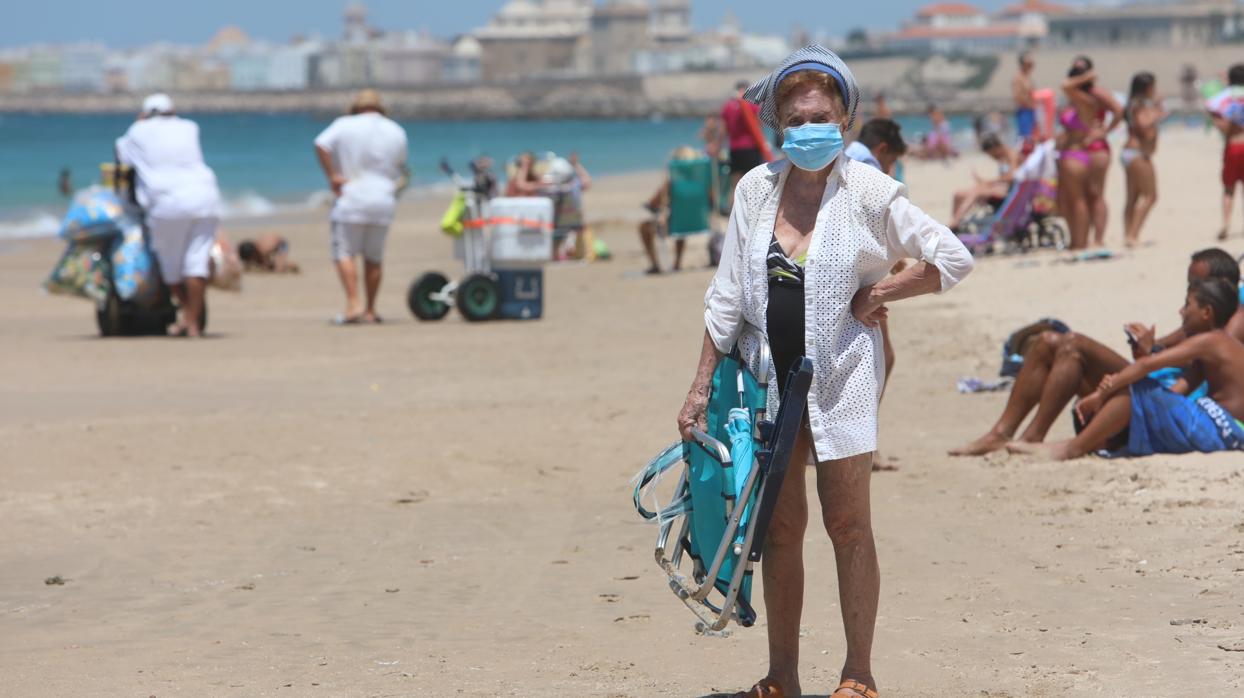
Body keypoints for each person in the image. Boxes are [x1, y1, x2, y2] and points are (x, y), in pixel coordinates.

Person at [677, 46, 974, 698]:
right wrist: (700, 385)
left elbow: (950, 256)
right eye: (795, 117)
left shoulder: (869, 190)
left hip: (841, 383)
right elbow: (726, 296)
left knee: (849, 527)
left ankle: (858, 674)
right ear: (778, 124)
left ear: (844, 120)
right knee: (780, 532)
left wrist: (883, 294)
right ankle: (782, 674)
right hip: (764, 386)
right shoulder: (755, 188)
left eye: (821, 115)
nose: (808, 127)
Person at [949, 248, 1244, 457]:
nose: (1185, 301)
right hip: (1165, 399)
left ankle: (1040, 441)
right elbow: (1160, 362)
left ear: (1215, 294)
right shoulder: (1203, 326)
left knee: (1074, 345)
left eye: (1194, 286)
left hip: (1176, 410)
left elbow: (1163, 372)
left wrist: (1110, 388)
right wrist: (1145, 350)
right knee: (1049, 342)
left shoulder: (1223, 329)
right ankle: (1004, 434)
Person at [1010, 278, 1244, 460]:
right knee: (1138, 391)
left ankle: (1072, 448)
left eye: (1187, 305)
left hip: (1219, 429)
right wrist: (1122, 391)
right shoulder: (1219, 347)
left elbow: (1146, 365)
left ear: (1207, 313)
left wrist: (1102, 393)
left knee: (1134, 388)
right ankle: (1084, 443)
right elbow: (1176, 393)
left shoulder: (1211, 340)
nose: (1181, 312)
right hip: (1225, 430)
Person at [114, 93, 221, 338]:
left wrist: (138, 123)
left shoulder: (137, 132)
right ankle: (193, 322)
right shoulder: (190, 127)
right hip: (206, 198)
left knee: (171, 267)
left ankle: (189, 317)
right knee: (196, 263)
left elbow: (121, 157)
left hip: (167, 203)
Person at [314, 89, 409, 325]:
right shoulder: (396, 130)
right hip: (383, 198)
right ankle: (371, 309)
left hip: (352, 196)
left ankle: (353, 301)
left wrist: (333, 176)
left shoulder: (345, 124)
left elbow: (321, 144)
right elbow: (400, 164)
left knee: (344, 252)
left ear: (356, 108)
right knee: (374, 258)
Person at [1057, 56, 1124, 249]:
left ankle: (1090, 240)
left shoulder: (1091, 94)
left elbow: (1119, 110)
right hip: (1087, 148)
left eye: (1080, 71)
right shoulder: (1077, 98)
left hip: (1089, 149)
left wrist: (1104, 131)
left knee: (1089, 196)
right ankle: (1088, 240)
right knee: (1087, 196)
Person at [1120, 72, 1168, 248]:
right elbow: (1143, 124)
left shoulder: (1132, 103)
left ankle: (1128, 233)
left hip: (1130, 152)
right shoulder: (1141, 104)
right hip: (1138, 153)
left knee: (1133, 197)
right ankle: (1132, 235)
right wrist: (1157, 113)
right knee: (1151, 196)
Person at [947, 133, 1019, 230]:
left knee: (977, 192)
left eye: (992, 154)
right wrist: (985, 183)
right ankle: (955, 225)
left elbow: (1012, 177)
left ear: (996, 148)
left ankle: (956, 222)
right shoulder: (1002, 158)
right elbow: (1003, 178)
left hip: (1009, 194)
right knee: (958, 194)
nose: (992, 157)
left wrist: (989, 182)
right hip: (1000, 189)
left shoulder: (1012, 155)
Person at [1206, 63, 1244, 241]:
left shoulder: (1224, 97)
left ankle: (1226, 222)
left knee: (1229, 188)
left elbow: (1211, 109)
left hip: (1232, 145)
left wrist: (1221, 125)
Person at [721, 79, 772, 208]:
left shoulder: (728, 106)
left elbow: (723, 130)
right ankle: (752, 210)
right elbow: (761, 122)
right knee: (753, 183)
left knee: (735, 184)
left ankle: (732, 214)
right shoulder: (750, 105)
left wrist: (717, 145)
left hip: (734, 149)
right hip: (751, 148)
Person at [1013, 52, 1038, 142]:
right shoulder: (1018, 78)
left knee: (1032, 136)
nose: (1031, 65)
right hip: (1025, 110)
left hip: (1031, 110)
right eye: (1029, 63)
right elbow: (1017, 96)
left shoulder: (1027, 76)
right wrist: (1029, 104)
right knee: (1025, 138)